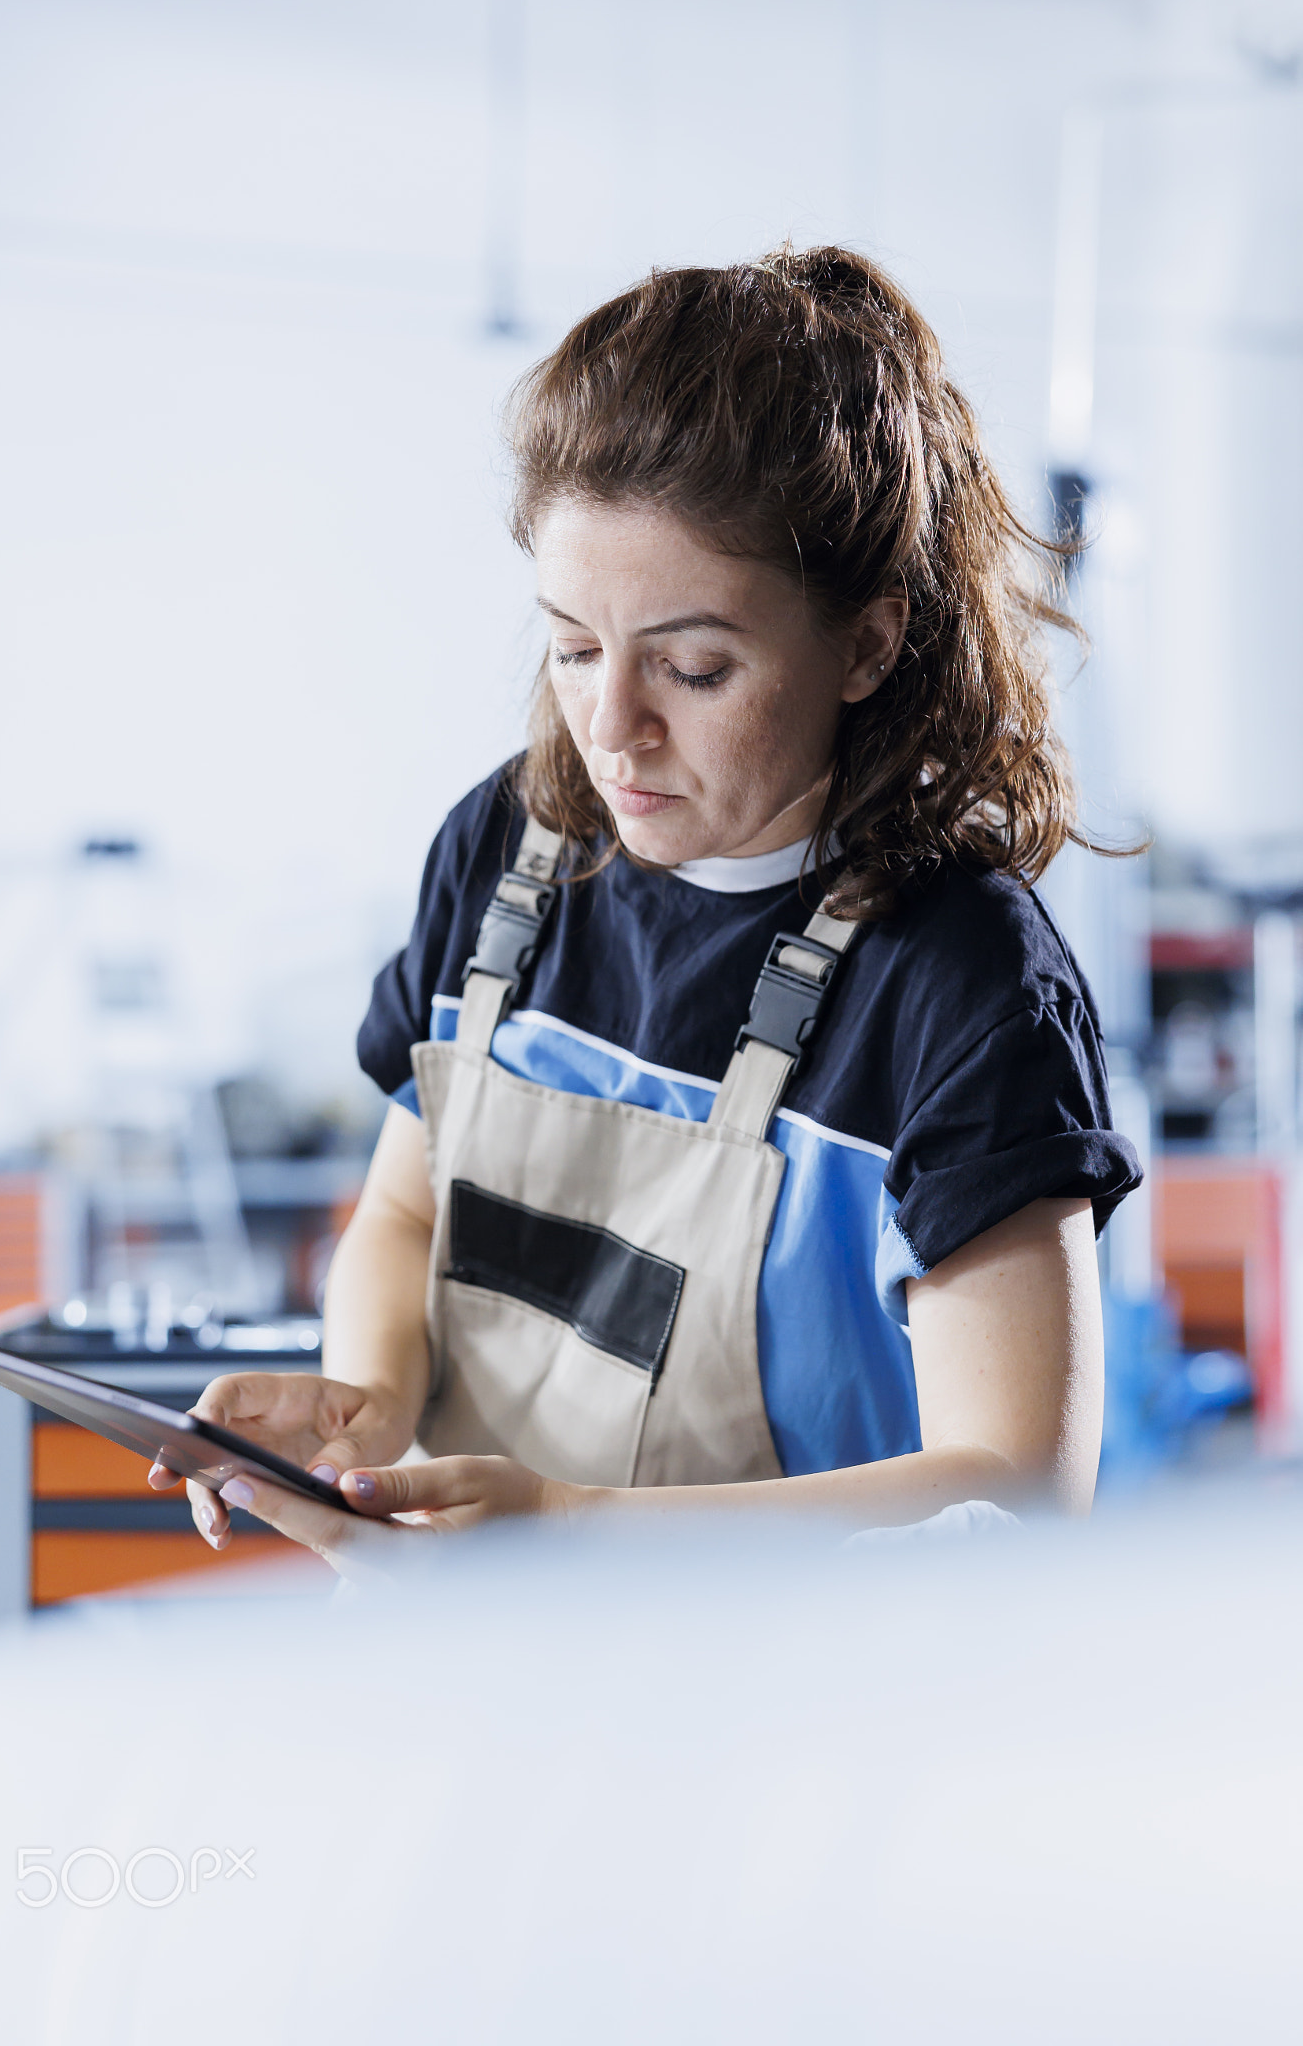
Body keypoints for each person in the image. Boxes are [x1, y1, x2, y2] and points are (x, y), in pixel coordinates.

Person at [151, 246, 1141, 1571]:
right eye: (573, 646)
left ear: (864, 643)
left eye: (693, 667)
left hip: (810, 1694)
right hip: (463, 1661)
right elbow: (404, 1216)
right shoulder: (505, 860)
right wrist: (366, 1404)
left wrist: (577, 1533)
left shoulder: (958, 983)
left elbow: (1016, 1485)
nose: (612, 727)